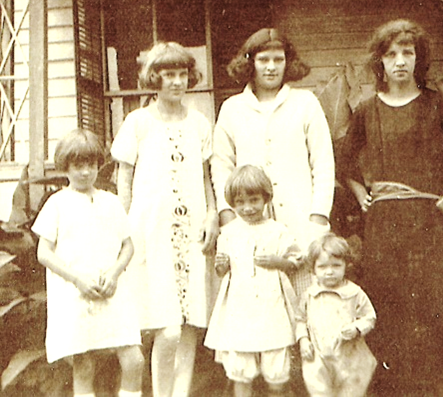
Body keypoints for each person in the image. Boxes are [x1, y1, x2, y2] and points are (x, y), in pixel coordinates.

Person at [337, 19, 443, 395]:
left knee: (436, 302)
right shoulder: (367, 110)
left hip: (433, 222)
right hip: (386, 223)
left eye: (408, 53)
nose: (400, 61)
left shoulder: (440, 105)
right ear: (379, 62)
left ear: (419, 59)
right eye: (391, 54)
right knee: (389, 303)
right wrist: (358, 191)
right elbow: (345, 159)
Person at [111, 42, 219, 397]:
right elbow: (123, 177)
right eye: (168, 74)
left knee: (189, 327)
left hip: (192, 232)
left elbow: (205, 177)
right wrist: (125, 227)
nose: (176, 81)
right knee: (167, 327)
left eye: (182, 74)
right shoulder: (138, 122)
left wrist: (212, 214)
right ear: (155, 78)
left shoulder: (199, 123)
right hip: (150, 231)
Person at [211, 27, 334, 297]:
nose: (271, 67)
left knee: (305, 297)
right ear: (250, 63)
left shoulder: (305, 103)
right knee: (259, 298)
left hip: (300, 218)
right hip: (249, 220)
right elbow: (221, 167)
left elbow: (323, 163)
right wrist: (228, 216)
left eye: (278, 59)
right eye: (263, 60)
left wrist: (318, 217)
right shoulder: (232, 108)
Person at [33, 129, 144, 397]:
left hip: (111, 291)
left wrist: (115, 273)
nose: (85, 172)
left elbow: (127, 245)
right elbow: (43, 253)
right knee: (83, 366)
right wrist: (76, 279)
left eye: (91, 165)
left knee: (134, 360)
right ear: (66, 167)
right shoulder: (57, 204)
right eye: (78, 166)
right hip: (75, 295)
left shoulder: (111, 202)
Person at [204, 165, 299, 397]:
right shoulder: (229, 232)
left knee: (276, 367)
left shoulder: (277, 231)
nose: (247, 208)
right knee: (241, 367)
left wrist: (277, 261)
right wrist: (221, 265)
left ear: (266, 198)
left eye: (254, 200)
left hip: (271, 305)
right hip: (241, 308)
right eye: (240, 203)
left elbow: (295, 262)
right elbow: (221, 272)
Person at [297, 234, 377, 397]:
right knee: (320, 389)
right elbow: (300, 319)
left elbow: (369, 316)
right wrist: (303, 340)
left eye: (336, 266)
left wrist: (356, 327)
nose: (329, 272)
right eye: (323, 267)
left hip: (349, 355)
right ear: (313, 269)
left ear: (346, 265)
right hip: (318, 355)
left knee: (350, 390)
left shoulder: (354, 292)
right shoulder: (310, 294)